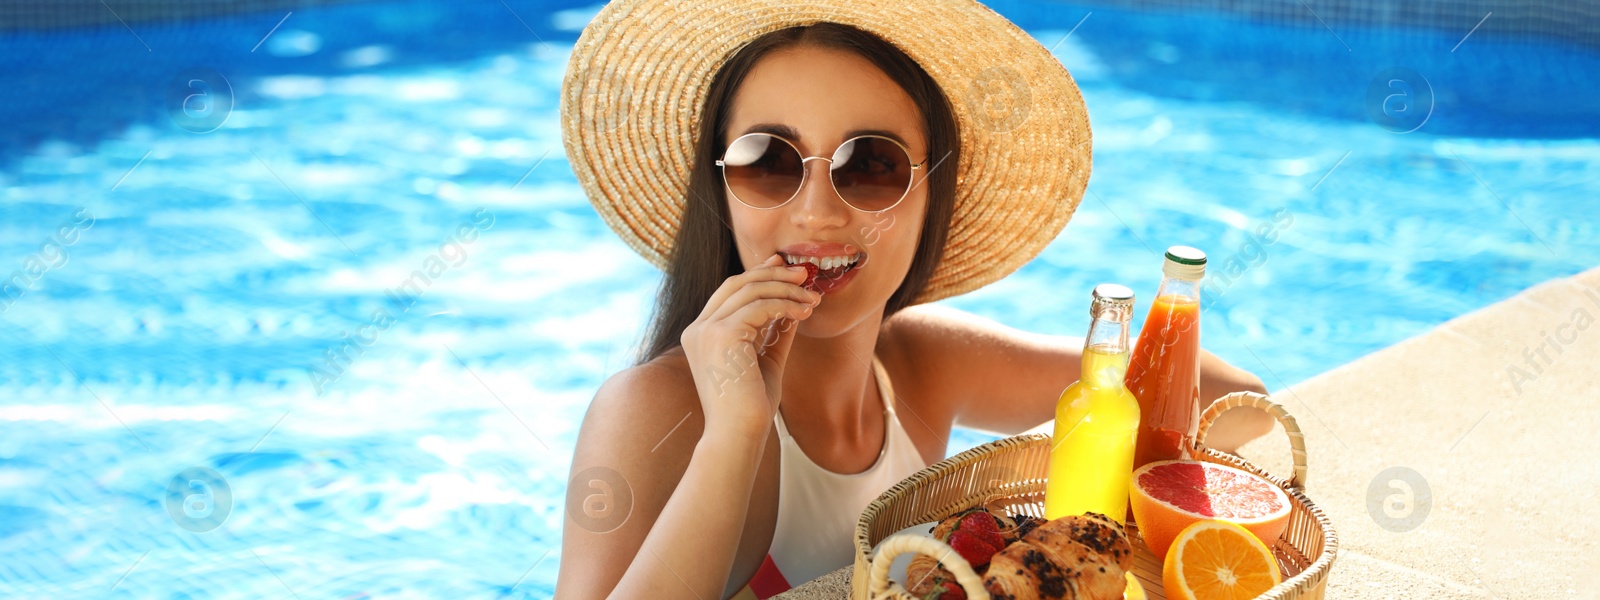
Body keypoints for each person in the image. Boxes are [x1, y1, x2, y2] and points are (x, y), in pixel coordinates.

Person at [556, 2, 1270, 598]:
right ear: (721, 191)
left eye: (871, 166)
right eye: (767, 160)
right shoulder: (654, 413)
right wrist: (735, 434)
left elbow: (1236, 402)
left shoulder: (923, 361)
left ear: (934, 197)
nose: (816, 214)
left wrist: (1068, 480)